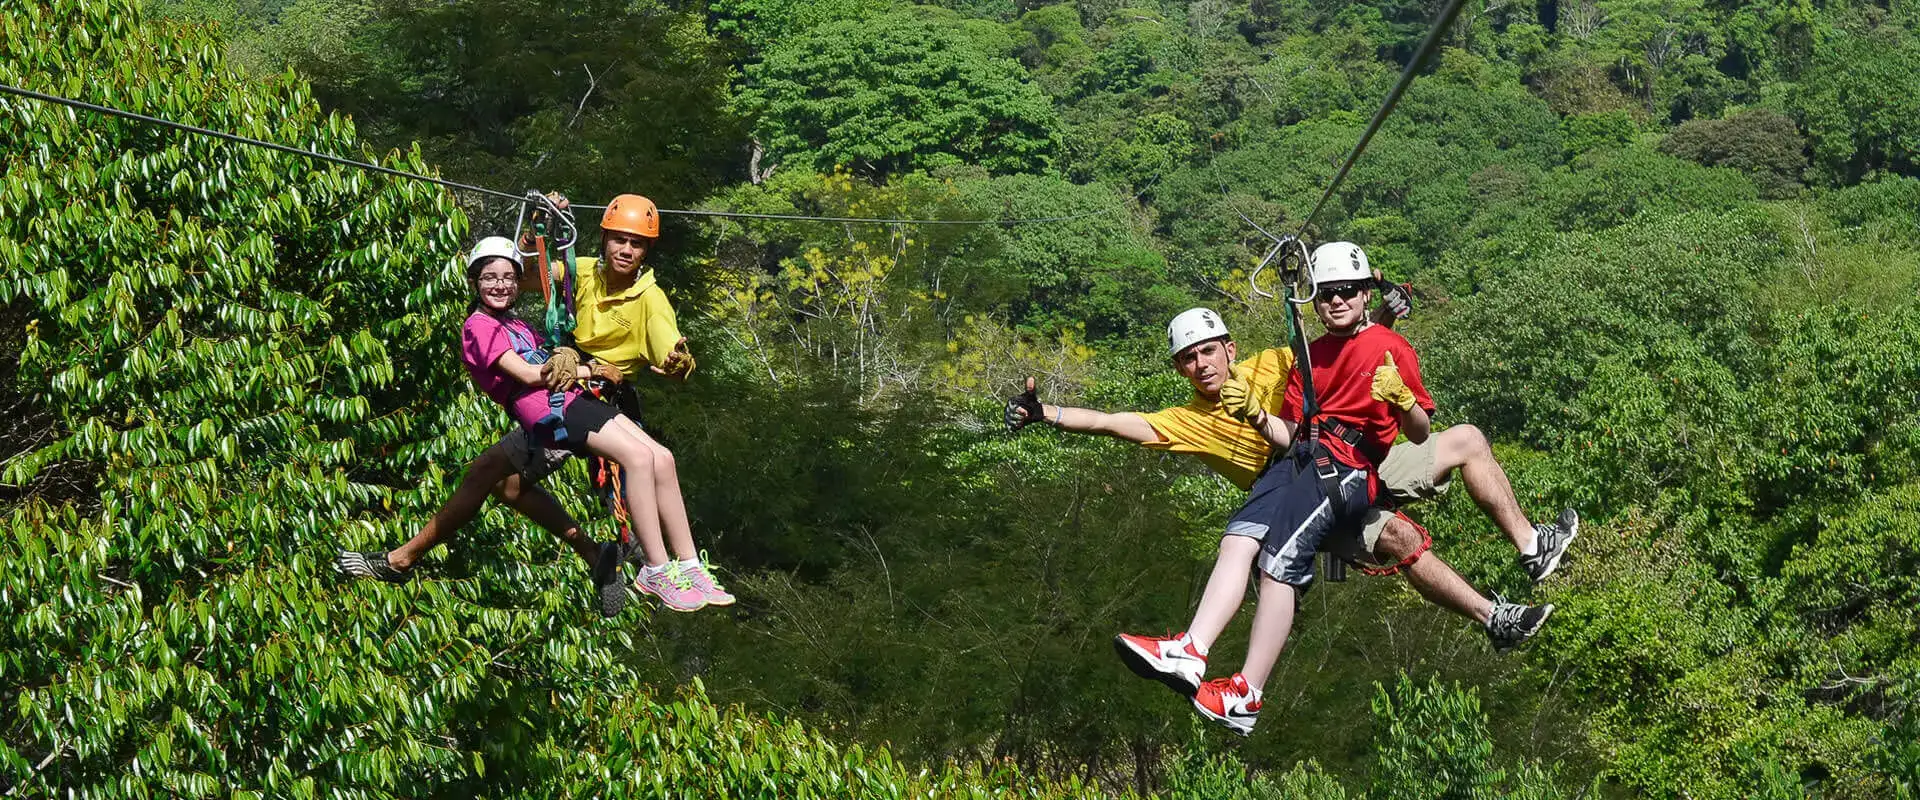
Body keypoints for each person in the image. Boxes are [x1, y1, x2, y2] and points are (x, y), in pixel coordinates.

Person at [338, 219, 728, 615]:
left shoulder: (518, 323)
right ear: (475, 282)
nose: (501, 285)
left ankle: (674, 564)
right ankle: (630, 562)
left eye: (507, 279)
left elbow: (553, 337)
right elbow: (527, 368)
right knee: (499, 477)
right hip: (555, 408)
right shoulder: (484, 325)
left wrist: (660, 362)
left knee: (649, 459)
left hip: (575, 402)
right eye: (490, 278)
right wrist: (591, 368)